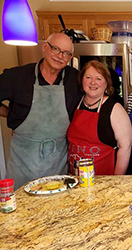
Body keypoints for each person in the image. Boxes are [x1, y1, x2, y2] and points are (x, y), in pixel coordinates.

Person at [0, 33, 82, 190]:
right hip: (22, 163)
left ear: (70, 57)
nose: (60, 56)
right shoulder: (17, 76)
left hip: (58, 162)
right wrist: (12, 114)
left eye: (66, 53)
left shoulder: (75, 79)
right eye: (56, 49)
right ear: (45, 47)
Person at [67, 60, 132, 175]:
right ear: (82, 80)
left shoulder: (114, 109)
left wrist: (117, 180)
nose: (93, 82)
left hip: (104, 179)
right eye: (88, 77)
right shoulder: (74, 103)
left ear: (106, 83)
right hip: (75, 177)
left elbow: (125, 146)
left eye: (99, 78)